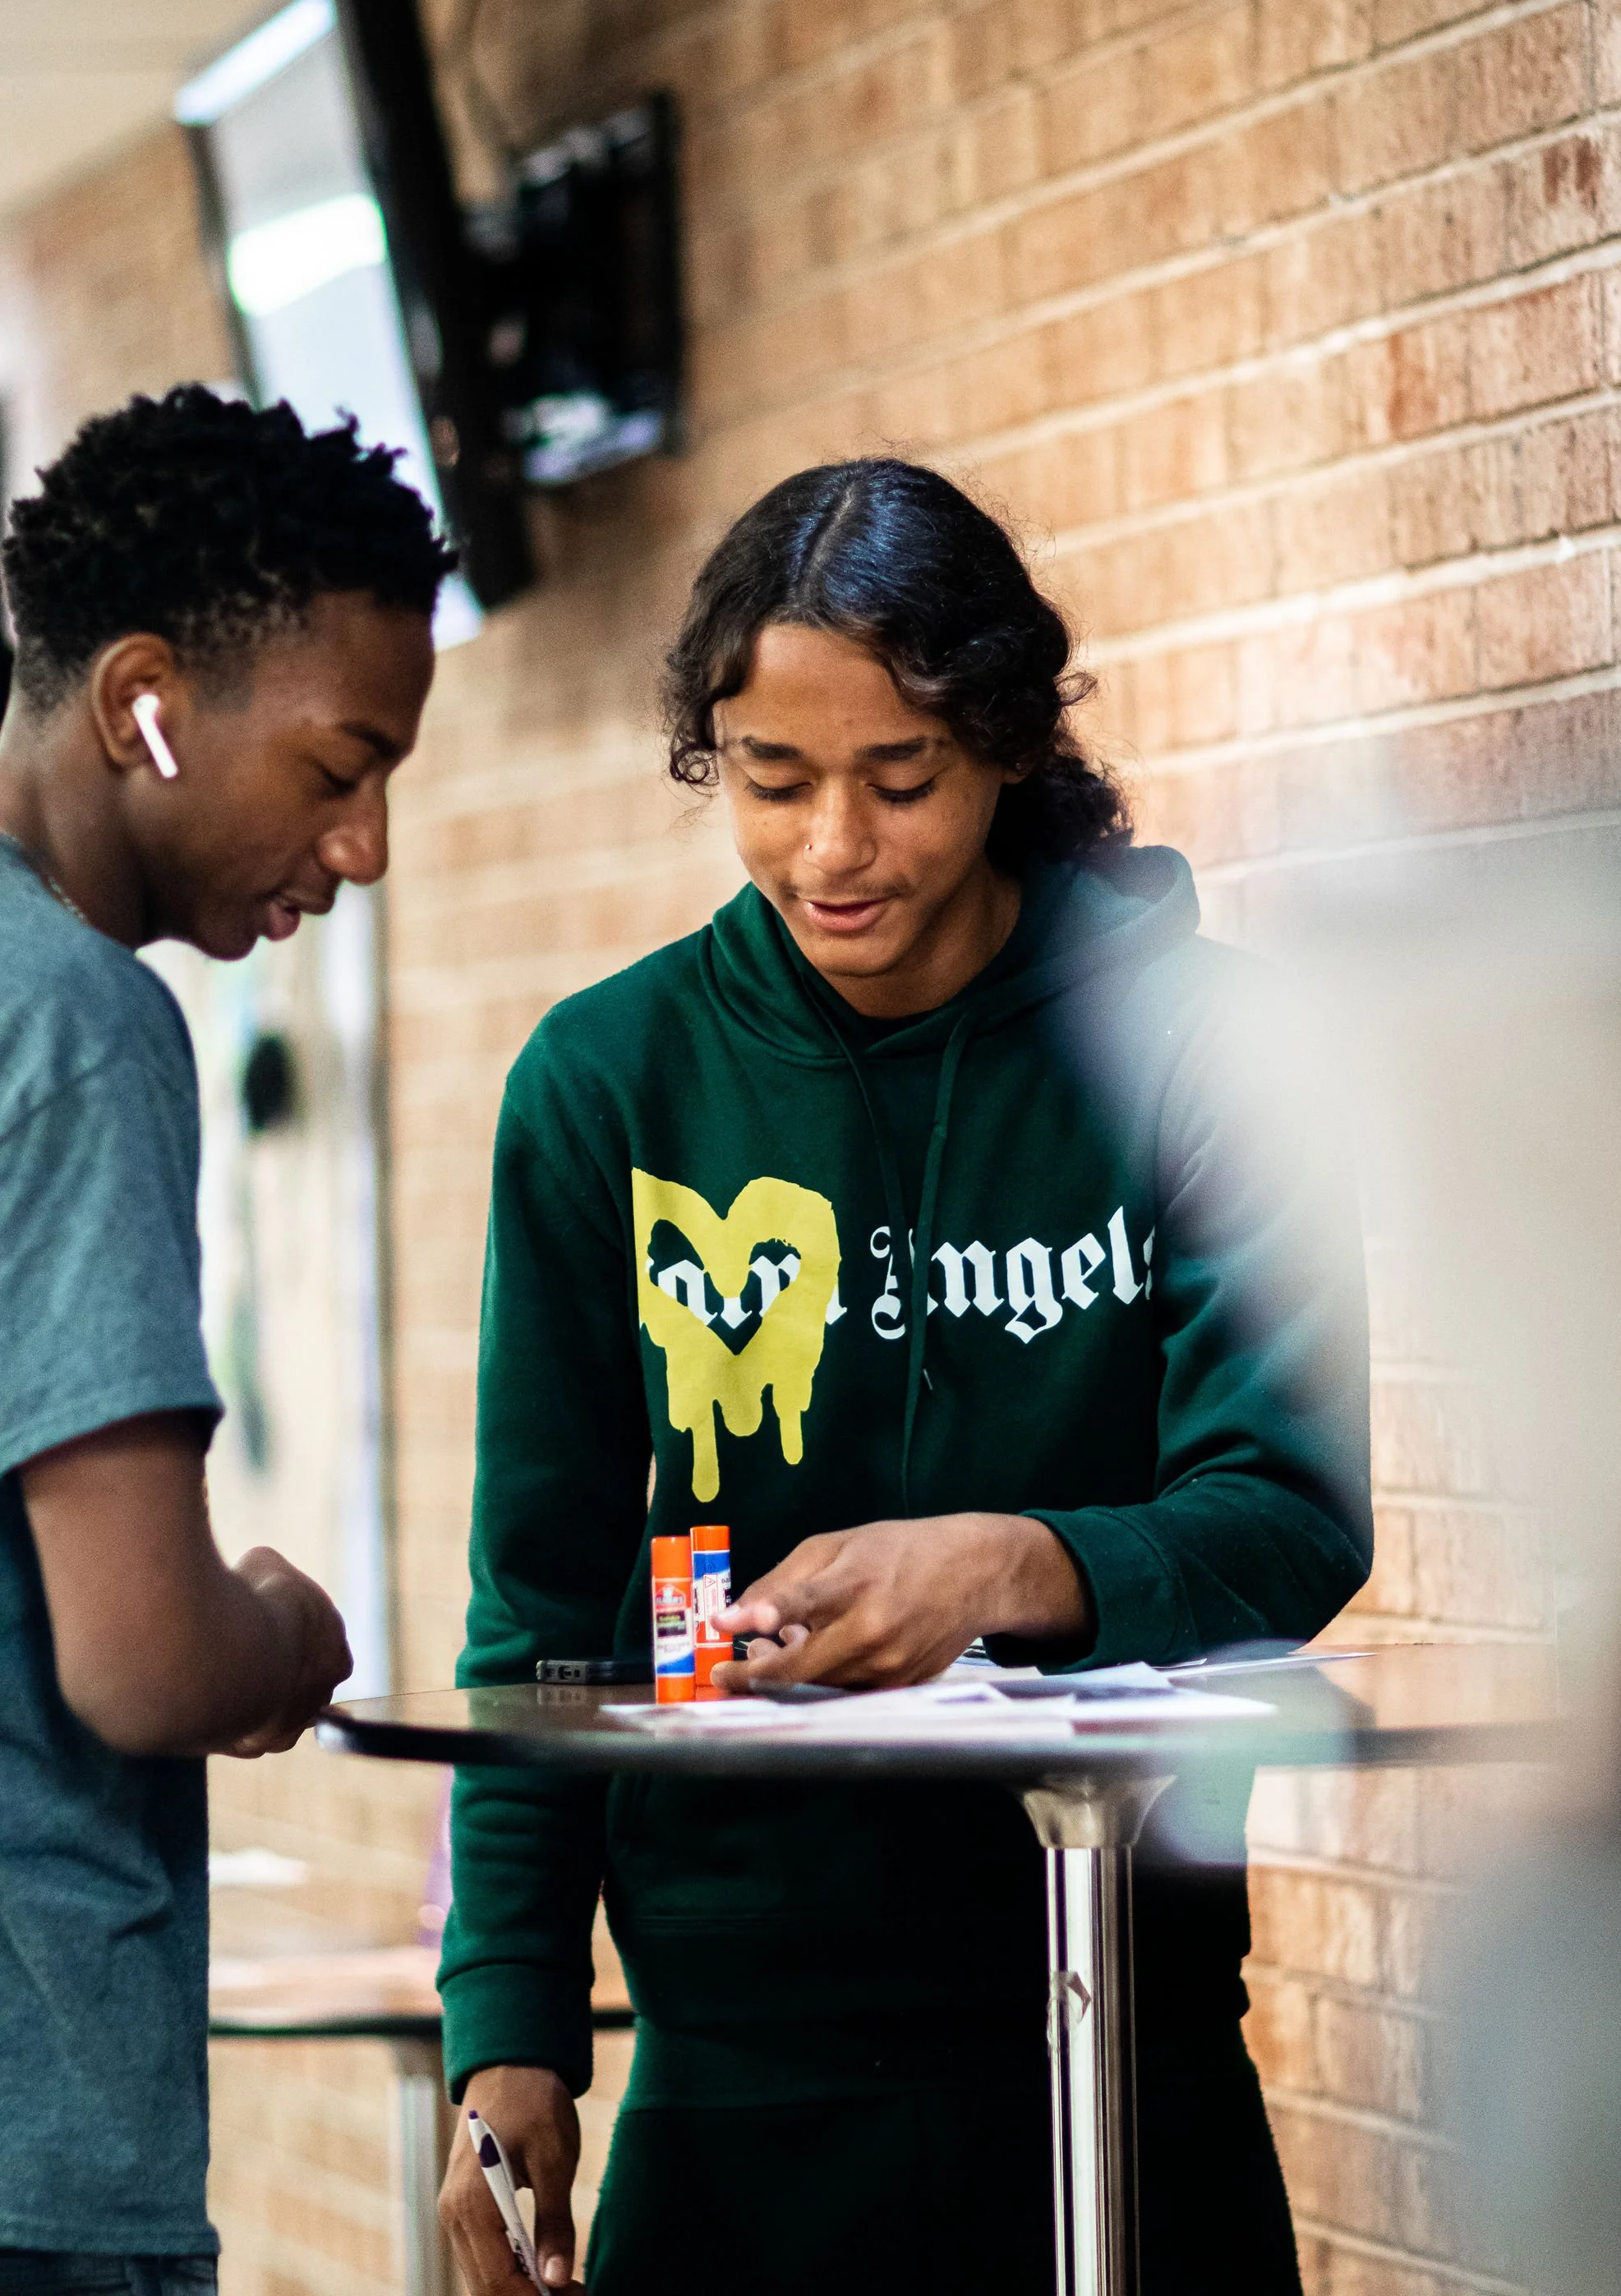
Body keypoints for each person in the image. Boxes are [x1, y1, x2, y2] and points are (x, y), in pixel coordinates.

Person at [438, 459, 1372, 2294]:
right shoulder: (604, 1083)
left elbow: (1289, 1514)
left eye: (900, 780)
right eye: (772, 784)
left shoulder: (1208, 1047)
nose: (832, 853)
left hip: (1118, 2020)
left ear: (1010, 748)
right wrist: (514, 2019)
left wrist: (1010, 1565)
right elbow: (539, 1609)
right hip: (739, 2055)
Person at [0, 384, 450, 2294]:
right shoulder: (79, 1020)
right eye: (339, 768)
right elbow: (140, 1662)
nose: (360, 850)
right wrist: (279, 1625)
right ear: (143, 704)